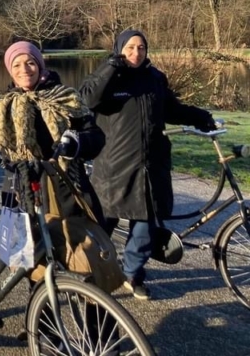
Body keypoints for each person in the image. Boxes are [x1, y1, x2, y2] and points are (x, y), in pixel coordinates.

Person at [79, 29, 216, 300]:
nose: (136, 53)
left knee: (145, 228)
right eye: (130, 47)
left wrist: (200, 116)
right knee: (100, 227)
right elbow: (87, 98)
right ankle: (89, 274)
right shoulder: (108, 78)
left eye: (141, 47)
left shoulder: (155, 78)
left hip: (151, 165)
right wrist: (110, 67)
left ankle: (132, 275)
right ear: (119, 49)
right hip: (114, 166)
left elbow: (171, 110)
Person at [0, 41, 106, 220]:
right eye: (17, 65)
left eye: (30, 62)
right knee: (28, 246)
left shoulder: (65, 98)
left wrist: (76, 143)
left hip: (65, 191)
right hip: (21, 191)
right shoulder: (4, 107)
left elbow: (96, 137)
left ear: (39, 65)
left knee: (78, 245)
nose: (24, 69)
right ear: (10, 71)